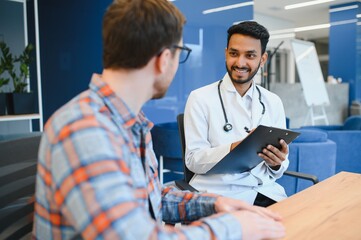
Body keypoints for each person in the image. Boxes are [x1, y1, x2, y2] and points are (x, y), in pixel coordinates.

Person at [32, 1, 285, 239]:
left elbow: (149, 196)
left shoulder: (129, 122)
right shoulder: (85, 130)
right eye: (180, 53)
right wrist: (234, 227)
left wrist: (214, 203)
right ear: (165, 59)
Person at [184, 21, 289, 207]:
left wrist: (276, 163)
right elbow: (193, 161)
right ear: (226, 53)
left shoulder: (273, 102)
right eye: (234, 53)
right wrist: (234, 148)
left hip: (264, 191)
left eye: (250, 55)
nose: (240, 63)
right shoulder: (200, 98)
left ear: (262, 59)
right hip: (218, 193)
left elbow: (279, 167)